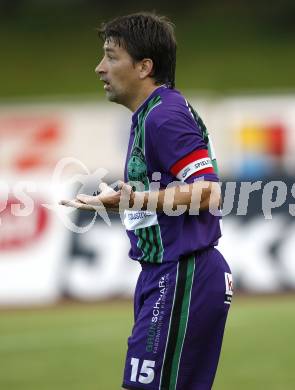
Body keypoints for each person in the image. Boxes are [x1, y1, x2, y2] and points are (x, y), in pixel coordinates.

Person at [61, 12, 233, 390]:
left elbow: (208, 191)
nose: (99, 67)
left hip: (182, 273)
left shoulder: (163, 116)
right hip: (165, 274)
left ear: (144, 67)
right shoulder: (151, 114)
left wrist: (138, 198)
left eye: (110, 56)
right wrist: (123, 202)